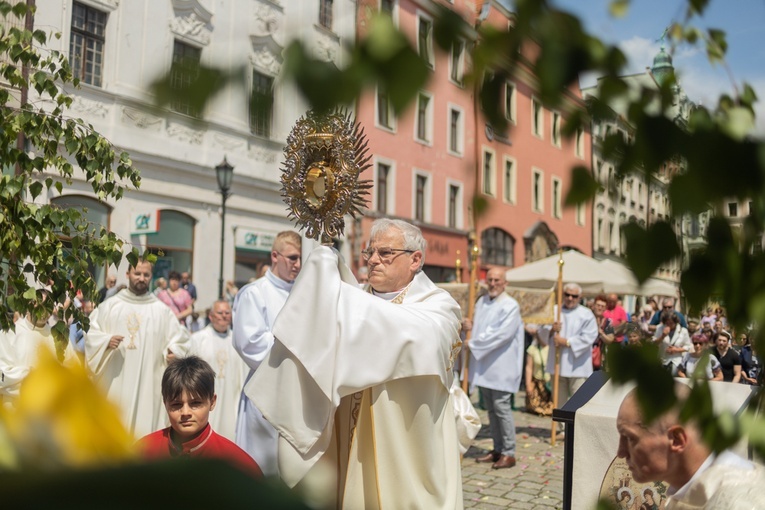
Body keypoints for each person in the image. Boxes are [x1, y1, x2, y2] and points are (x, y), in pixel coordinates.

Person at [247, 218, 463, 508]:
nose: (373, 260)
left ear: (415, 260)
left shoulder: (439, 305)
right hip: (349, 444)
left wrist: (334, 290)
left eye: (385, 253)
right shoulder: (354, 298)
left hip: (405, 454)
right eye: (369, 252)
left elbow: (422, 336)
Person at [85, 259, 191, 438]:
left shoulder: (162, 312)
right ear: (127, 274)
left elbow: (181, 341)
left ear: (151, 277)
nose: (141, 278)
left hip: (149, 386)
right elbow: (91, 337)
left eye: (146, 275)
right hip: (116, 383)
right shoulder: (109, 307)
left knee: (145, 433)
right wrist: (105, 342)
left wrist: (174, 353)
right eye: (137, 274)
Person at [616, 384, 765, 509]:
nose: (621, 452)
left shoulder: (741, 503)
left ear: (676, 440)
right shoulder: (688, 494)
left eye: (630, 438)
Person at [232, 230, 302, 475]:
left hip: (297, 392)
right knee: (262, 467)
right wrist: (295, 349)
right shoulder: (255, 293)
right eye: (292, 258)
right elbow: (248, 342)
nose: (298, 264)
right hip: (266, 391)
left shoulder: (301, 294)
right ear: (275, 255)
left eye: (300, 258)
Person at [135, 356, 261, 478]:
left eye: (195, 403)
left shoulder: (237, 464)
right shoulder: (143, 452)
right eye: (176, 404)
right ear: (165, 403)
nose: (185, 412)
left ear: (212, 402)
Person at [463, 267, 523, 470]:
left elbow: (502, 334)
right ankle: (498, 448)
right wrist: (469, 327)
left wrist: (474, 343)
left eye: (497, 280)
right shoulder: (481, 302)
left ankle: (509, 451)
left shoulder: (510, 305)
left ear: (505, 283)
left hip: (501, 366)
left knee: (502, 409)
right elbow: (479, 329)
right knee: (490, 409)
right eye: (490, 279)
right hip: (485, 365)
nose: (493, 283)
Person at [0, 296, 78, 404]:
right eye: (39, 305)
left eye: (48, 306)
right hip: (17, 408)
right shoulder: (10, 334)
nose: (44, 310)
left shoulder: (58, 336)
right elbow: (2, 373)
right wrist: (30, 375)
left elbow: (73, 371)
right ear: (28, 306)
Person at [188, 300, 247, 441]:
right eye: (220, 313)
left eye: (227, 313)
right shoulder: (198, 339)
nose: (224, 316)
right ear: (211, 316)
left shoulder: (238, 340)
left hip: (232, 397)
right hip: (206, 397)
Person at [539, 283, 598, 411]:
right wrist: (551, 330)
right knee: (559, 402)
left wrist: (567, 342)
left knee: (579, 403)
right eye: (567, 295)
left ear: (580, 297)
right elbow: (541, 332)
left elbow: (590, 336)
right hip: (557, 363)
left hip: (578, 365)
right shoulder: (554, 311)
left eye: (574, 296)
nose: (570, 298)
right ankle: (560, 429)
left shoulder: (586, 314)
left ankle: (576, 429)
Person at [525, 327, 553, 416]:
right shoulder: (533, 349)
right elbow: (529, 367)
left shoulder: (553, 348)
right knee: (534, 406)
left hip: (549, 383)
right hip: (537, 382)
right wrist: (528, 384)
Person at [652, 310, 691, 376]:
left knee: (673, 374)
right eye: (667, 323)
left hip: (676, 360)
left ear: (675, 322)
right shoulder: (659, 328)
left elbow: (688, 347)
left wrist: (676, 350)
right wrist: (662, 336)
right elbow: (654, 343)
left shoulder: (683, 331)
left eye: (671, 323)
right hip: (663, 359)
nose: (669, 325)